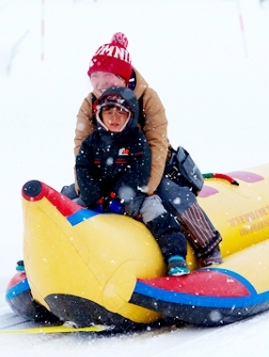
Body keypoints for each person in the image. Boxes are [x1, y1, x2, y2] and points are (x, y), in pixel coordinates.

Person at [65, 32, 223, 267]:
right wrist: (88, 190)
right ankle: (55, 252)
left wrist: (144, 188)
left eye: (107, 76)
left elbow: (157, 143)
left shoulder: (147, 98)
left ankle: (208, 247)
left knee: (172, 196)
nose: (100, 84)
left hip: (148, 166)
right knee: (67, 196)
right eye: (94, 76)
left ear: (123, 76)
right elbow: (82, 147)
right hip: (107, 170)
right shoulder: (90, 103)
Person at [75, 87, 189, 276]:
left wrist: (118, 197)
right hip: (98, 201)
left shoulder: (136, 140)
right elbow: (83, 170)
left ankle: (175, 257)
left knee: (157, 213)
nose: (114, 117)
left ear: (131, 116)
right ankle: (44, 253)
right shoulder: (91, 143)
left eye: (121, 112)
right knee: (67, 212)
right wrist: (95, 198)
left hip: (133, 200)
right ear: (99, 114)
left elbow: (138, 172)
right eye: (109, 112)